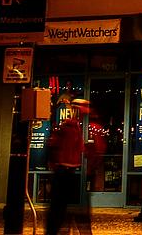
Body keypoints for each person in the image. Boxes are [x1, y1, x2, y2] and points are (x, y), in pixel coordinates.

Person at [46, 98, 92, 235]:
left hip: (65, 170)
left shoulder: (72, 126)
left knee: (60, 207)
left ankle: (58, 230)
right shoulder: (71, 127)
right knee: (61, 207)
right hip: (65, 170)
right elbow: (79, 148)